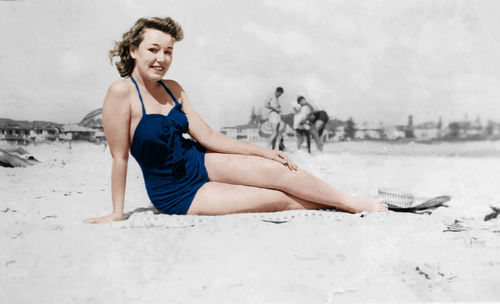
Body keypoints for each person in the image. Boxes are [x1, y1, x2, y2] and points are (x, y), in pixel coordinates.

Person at [84, 17, 387, 224]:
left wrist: (265, 151)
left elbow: (210, 138)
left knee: (276, 170)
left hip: (200, 161)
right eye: (153, 50)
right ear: (133, 50)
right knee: (276, 198)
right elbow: (119, 157)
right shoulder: (120, 92)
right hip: (176, 192)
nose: (161, 59)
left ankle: (349, 201)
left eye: (168, 51)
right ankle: (337, 205)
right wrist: (116, 212)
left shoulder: (173, 88)